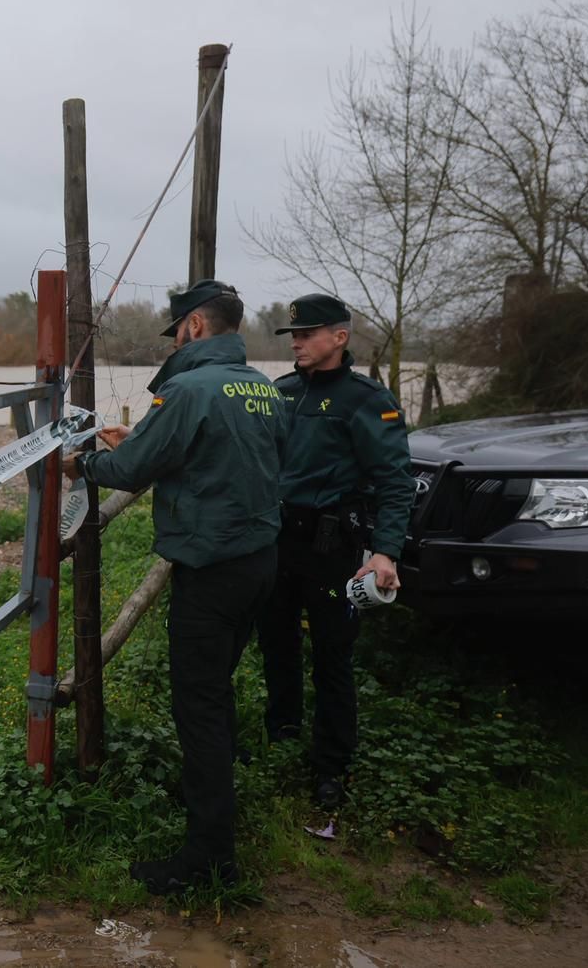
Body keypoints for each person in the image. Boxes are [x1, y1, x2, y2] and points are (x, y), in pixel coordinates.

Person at [63, 279, 283, 894]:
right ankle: (211, 802)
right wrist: (146, 442)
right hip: (260, 564)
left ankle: (209, 860)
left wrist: (83, 464)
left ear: (193, 327)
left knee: (200, 707)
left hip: (211, 576)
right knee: (216, 691)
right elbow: (240, 457)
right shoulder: (263, 389)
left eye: (177, 330)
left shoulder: (186, 388)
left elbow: (130, 472)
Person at [258, 293, 415, 810]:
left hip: (333, 549)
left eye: (306, 334)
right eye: (294, 335)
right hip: (277, 543)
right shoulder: (279, 394)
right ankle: (281, 733)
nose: (297, 342)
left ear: (339, 337)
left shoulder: (367, 400)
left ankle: (331, 766)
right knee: (276, 642)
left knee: (332, 656)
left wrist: (386, 552)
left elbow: (394, 483)